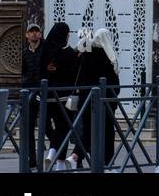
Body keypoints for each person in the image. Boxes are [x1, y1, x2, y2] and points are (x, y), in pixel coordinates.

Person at [74, 28, 120, 169]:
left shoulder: (85, 56)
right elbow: (115, 85)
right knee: (107, 132)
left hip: (86, 101)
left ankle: (80, 157)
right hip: (105, 103)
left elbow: (80, 77)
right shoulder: (109, 58)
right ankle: (108, 162)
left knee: (88, 129)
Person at [39, 22, 78, 170]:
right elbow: (73, 71)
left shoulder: (45, 49)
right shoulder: (67, 51)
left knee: (58, 127)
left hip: (48, 96)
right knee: (64, 127)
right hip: (64, 97)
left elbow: (41, 69)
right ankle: (59, 161)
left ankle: (51, 154)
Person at [20, 21, 44, 170]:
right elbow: (23, 72)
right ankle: (32, 158)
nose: (34, 33)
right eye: (31, 31)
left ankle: (54, 152)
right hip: (29, 93)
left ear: (40, 34)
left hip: (43, 92)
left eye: (36, 31)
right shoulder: (24, 53)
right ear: (27, 35)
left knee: (46, 126)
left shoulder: (44, 50)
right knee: (28, 127)